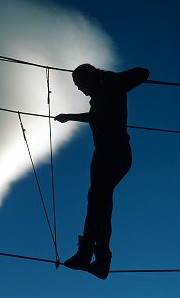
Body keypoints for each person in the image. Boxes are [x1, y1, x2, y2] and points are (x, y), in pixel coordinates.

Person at [54, 64, 150, 279]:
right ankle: (96, 258)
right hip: (105, 154)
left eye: (79, 84)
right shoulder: (101, 96)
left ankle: (89, 254)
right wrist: (69, 116)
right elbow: (95, 116)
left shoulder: (111, 87)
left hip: (113, 153)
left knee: (99, 202)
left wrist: (107, 79)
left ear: (90, 78)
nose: (79, 89)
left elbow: (143, 73)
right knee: (99, 203)